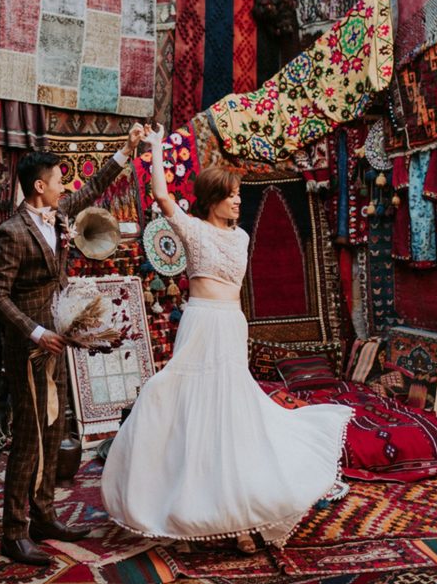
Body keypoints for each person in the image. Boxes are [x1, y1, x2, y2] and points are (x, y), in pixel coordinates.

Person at [101, 124, 353, 550]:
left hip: (231, 324)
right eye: (232, 194)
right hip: (200, 323)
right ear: (214, 199)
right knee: (187, 410)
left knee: (231, 415)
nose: (239, 200)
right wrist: (158, 148)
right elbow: (162, 197)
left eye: (239, 194)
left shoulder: (241, 235)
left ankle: (239, 522)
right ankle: (181, 518)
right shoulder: (194, 229)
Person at [0, 123, 145, 567]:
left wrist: (126, 149)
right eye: (58, 182)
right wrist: (35, 332)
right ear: (39, 187)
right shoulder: (12, 232)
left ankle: (43, 516)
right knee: (29, 438)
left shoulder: (56, 216)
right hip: (30, 347)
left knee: (54, 430)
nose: (64, 188)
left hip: (55, 344)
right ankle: (13, 532)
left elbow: (93, 188)